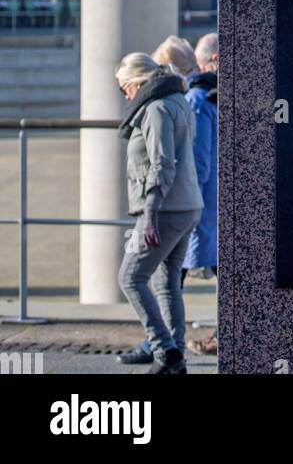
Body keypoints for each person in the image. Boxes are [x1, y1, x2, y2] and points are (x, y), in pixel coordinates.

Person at [115, 52, 203, 374]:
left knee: (130, 277)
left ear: (137, 81)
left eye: (124, 86)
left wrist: (150, 211)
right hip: (186, 205)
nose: (124, 93)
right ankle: (175, 360)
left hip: (165, 209)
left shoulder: (155, 109)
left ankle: (165, 351)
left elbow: (163, 164)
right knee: (167, 284)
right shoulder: (176, 100)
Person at [184, 33, 218, 354]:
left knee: (169, 275)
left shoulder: (198, 99)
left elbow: (198, 162)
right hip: (216, 205)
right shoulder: (219, 95)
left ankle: (159, 342)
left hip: (201, 204)